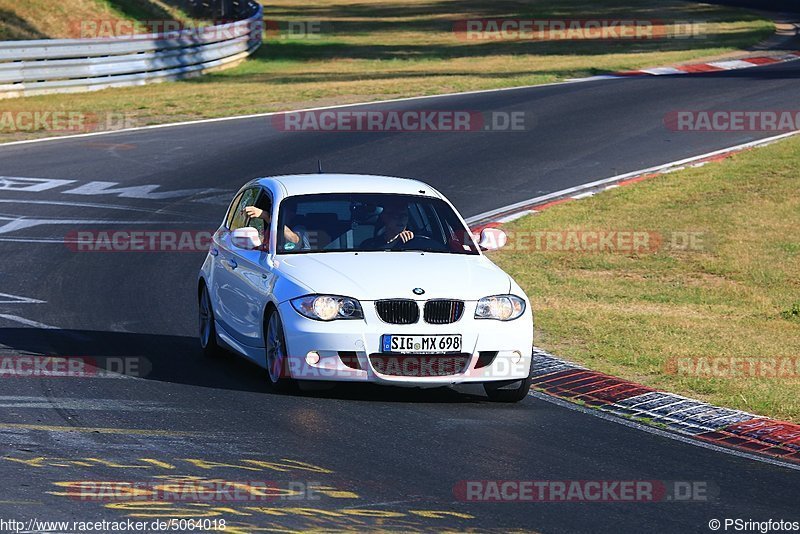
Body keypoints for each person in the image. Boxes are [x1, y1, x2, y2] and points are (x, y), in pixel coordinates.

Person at [243, 205, 310, 250]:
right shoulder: (271, 225)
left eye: (280, 211)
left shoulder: (299, 227)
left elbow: (295, 239)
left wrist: (267, 217)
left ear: (292, 213)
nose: (277, 214)